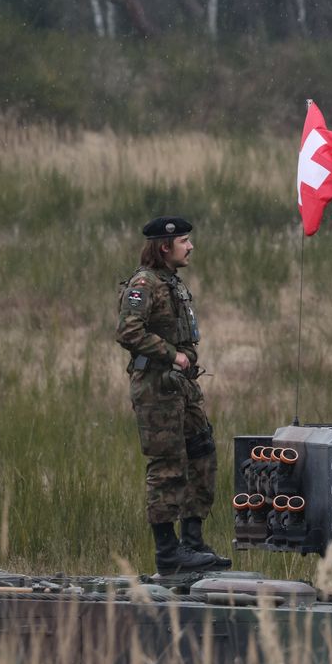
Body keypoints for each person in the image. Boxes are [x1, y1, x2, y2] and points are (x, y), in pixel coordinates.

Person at [116, 216, 228, 574]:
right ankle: (168, 552)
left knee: (202, 453)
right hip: (156, 387)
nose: (190, 246)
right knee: (167, 466)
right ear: (164, 247)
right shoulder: (144, 284)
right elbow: (128, 331)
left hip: (182, 386)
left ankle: (193, 541)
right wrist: (171, 354)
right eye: (184, 241)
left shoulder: (172, 283)